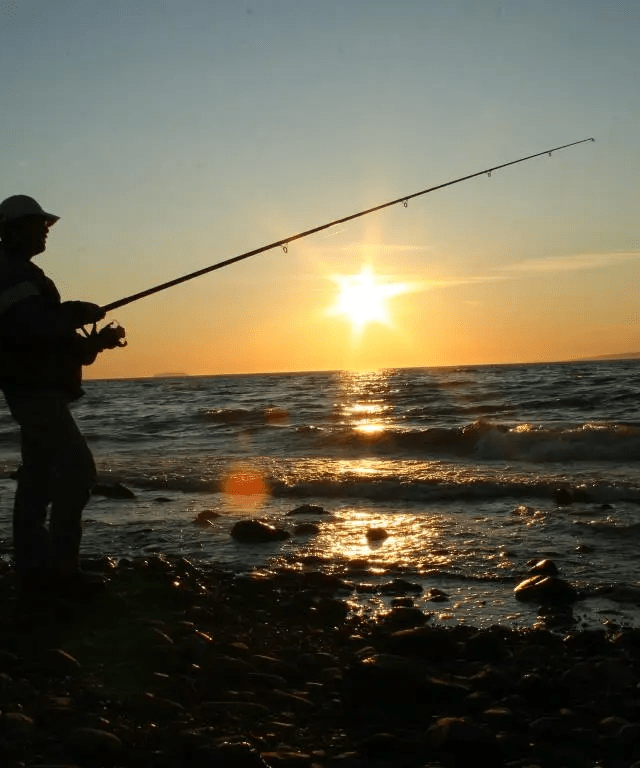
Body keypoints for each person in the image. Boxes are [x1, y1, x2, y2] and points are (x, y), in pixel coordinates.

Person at [0, 195, 126, 599]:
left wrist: (97, 343)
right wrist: (77, 312)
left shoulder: (24, 273)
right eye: (39, 226)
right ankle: (60, 568)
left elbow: (49, 340)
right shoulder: (10, 273)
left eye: (46, 227)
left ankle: (35, 568)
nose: (45, 232)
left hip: (37, 390)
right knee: (77, 472)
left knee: (37, 480)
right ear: (13, 229)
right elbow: (30, 327)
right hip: (34, 393)